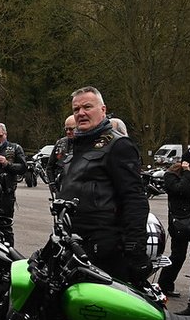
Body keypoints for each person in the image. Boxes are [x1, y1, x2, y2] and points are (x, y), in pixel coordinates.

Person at [56, 87, 150, 283]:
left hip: (104, 250)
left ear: (103, 110)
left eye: (87, 107)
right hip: (74, 245)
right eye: (76, 109)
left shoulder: (118, 145)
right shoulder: (75, 146)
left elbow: (135, 199)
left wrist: (134, 249)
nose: (81, 113)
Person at [156, 149, 190, 299]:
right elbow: (182, 190)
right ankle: (164, 284)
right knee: (178, 256)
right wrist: (187, 173)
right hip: (179, 222)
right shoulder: (171, 176)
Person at [47, 116, 76, 192]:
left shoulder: (87, 143)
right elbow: (50, 166)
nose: (68, 132)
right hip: (60, 186)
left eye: (71, 129)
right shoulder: (61, 143)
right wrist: (52, 183)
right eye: (66, 129)